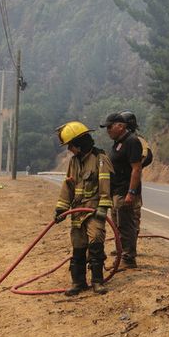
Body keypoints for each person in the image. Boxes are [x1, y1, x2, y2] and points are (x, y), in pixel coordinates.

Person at [54, 121, 114, 296]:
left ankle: (97, 281)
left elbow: (105, 184)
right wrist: (61, 210)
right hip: (77, 212)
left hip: (94, 211)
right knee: (78, 245)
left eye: (70, 145)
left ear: (79, 144)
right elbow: (68, 187)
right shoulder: (74, 162)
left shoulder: (100, 159)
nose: (69, 149)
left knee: (95, 240)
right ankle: (78, 282)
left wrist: (103, 207)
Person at [101, 112, 143, 268]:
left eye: (110, 127)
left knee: (126, 226)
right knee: (118, 226)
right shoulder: (118, 142)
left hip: (125, 191)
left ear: (121, 126)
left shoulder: (132, 142)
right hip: (116, 191)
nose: (108, 130)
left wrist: (131, 193)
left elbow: (136, 169)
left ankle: (128, 259)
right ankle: (120, 258)